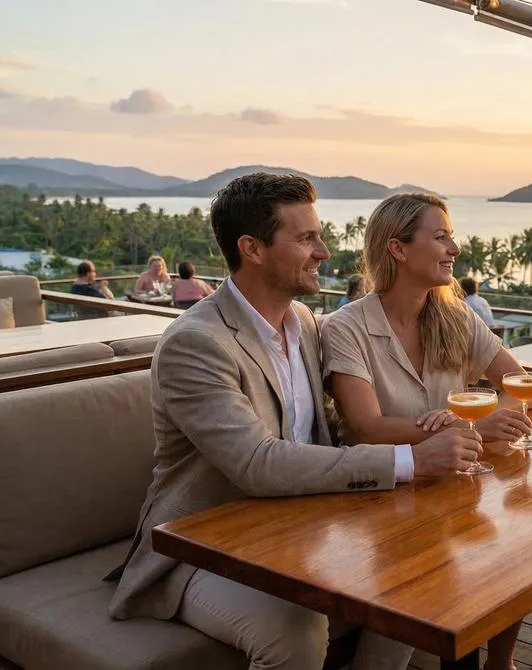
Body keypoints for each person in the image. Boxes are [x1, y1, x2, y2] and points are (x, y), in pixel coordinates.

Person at [107, 173, 481, 670]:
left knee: (419, 555)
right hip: (201, 546)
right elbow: (257, 464)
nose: (323, 252)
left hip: (300, 523)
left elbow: (329, 427)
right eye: (306, 239)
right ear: (252, 249)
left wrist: (433, 428)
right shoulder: (196, 344)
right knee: (296, 629)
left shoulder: (303, 322)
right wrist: (410, 459)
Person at [322, 193, 532, 663]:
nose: (455, 248)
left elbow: (518, 382)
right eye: (440, 237)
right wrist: (475, 429)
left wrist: (490, 417)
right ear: (398, 249)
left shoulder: (453, 315)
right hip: (381, 494)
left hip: (450, 482)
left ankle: (508, 655)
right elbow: (367, 427)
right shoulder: (346, 328)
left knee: (523, 516)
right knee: (512, 530)